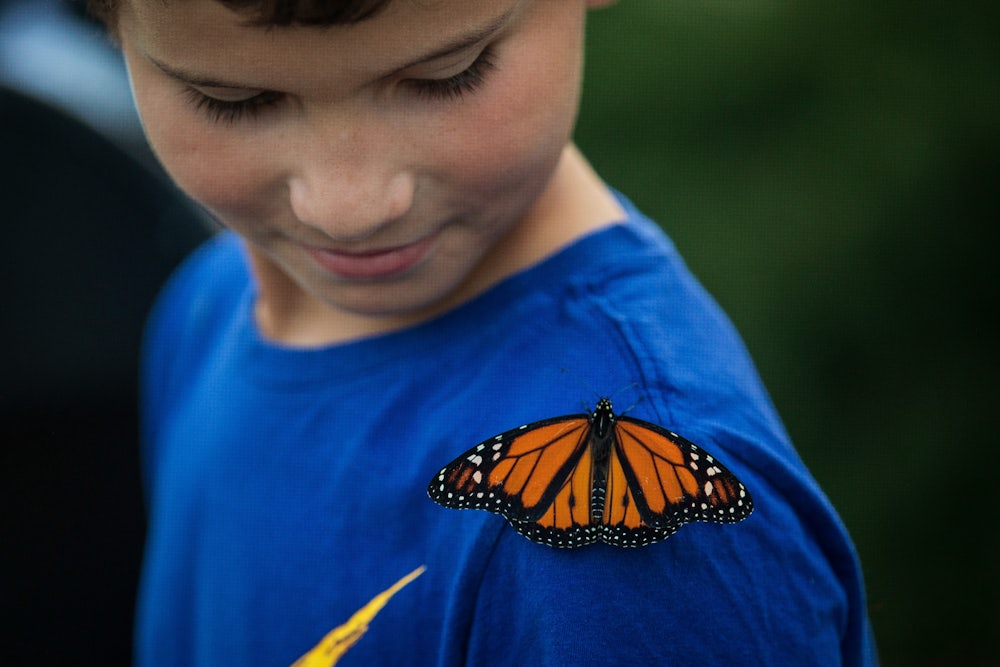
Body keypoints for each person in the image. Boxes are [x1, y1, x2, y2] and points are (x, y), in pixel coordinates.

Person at [87, 0, 877, 664]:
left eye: (446, 74)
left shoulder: (634, 564)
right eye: (233, 100)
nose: (349, 205)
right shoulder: (209, 305)